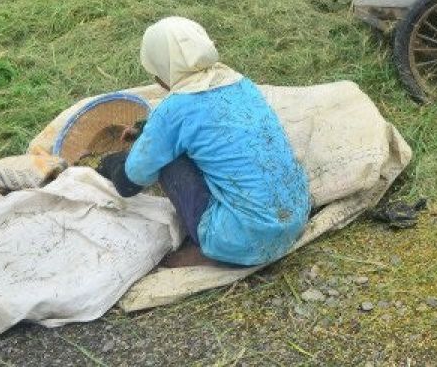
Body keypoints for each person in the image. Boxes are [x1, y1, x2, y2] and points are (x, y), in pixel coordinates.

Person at [97, 17, 310, 267]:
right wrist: (146, 131)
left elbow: (128, 184)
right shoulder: (240, 82)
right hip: (295, 218)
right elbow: (206, 125)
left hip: (243, 240)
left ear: (162, 70)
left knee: (167, 160)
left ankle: (207, 242)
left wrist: (109, 163)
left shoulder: (173, 110)